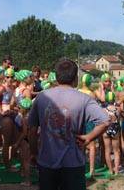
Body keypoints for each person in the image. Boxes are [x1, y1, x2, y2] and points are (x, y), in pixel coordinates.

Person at [28, 59, 109, 190]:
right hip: (74, 163)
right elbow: (105, 121)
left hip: (47, 161)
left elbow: (31, 129)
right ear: (75, 79)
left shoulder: (42, 97)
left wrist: (33, 152)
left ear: (56, 77)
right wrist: (89, 137)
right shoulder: (84, 99)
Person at [78, 74, 97, 178]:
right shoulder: (91, 94)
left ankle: (81, 167)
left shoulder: (77, 92)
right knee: (92, 145)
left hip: (79, 120)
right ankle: (92, 170)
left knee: (81, 144)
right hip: (89, 120)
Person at [13, 98, 33, 186]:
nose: (19, 108)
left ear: (24, 108)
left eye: (20, 107)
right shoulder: (33, 117)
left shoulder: (25, 118)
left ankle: (27, 181)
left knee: (26, 162)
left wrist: (17, 143)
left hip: (26, 141)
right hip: (34, 140)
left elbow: (24, 133)